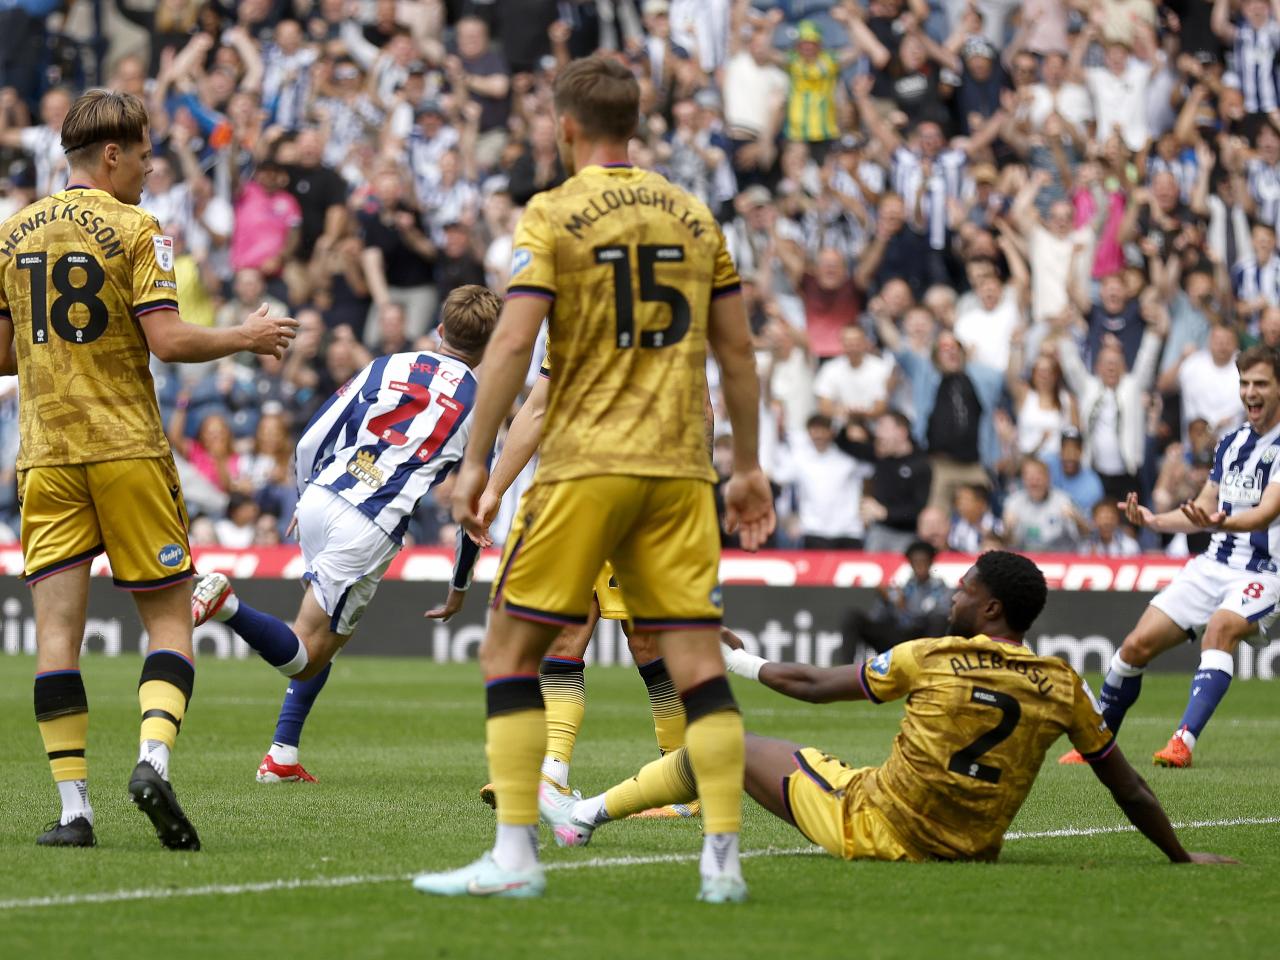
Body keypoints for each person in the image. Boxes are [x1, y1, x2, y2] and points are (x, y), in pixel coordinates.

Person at [411, 56, 775, 903]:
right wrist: (748, 466)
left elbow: (512, 346)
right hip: (682, 469)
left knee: (510, 649)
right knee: (696, 663)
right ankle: (721, 863)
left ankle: (514, 856)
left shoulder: (555, 211)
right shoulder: (694, 214)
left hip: (585, 461)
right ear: (636, 123)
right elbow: (739, 353)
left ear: (565, 126)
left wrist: (476, 465)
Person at [0, 88, 297, 849]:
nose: (148, 167)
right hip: (126, 448)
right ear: (110, 156)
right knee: (169, 618)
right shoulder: (138, 228)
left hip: (46, 455)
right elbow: (165, 341)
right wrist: (246, 334)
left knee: (55, 637)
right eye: (141, 155)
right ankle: (152, 761)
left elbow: (1, 355)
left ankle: (74, 812)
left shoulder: (14, 231)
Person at [540, 552, 1234, 867]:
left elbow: (811, 685)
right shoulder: (1061, 683)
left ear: (989, 607)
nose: (952, 597)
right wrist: (1179, 855)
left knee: (726, 742)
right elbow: (1127, 783)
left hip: (873, 824)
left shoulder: (929, 654)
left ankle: (582, 816)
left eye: (963, 589)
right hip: (972, 848)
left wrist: (730, 659)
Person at [190, 286, 501, 782]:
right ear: (492, 346)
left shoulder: (388, 364)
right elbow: (474, 509)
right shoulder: (483, 407)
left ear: (440, 330)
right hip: (370, 521)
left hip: (321, 494)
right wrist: (460, 586)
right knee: (304, 653)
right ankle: (227, 603)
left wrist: (303, 496)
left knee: (335, 634)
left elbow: (315, 434)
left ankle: (282, 755)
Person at [1060, 345, 1280, 769]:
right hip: (1213, 564)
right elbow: (1202, 506)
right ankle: (1096, 744)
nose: (1250, 393)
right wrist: (1153, 521)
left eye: (1261, 384)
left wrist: (1218, 521)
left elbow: (1266, 512)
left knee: (1220, 630)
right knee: (1134, 647)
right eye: (1245, 383)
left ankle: (1183, 741)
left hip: (1264, 572)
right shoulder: (1231, 444)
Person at [844, 540, 951, 653]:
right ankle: (847, 666)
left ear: (930, 563)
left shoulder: (940, 588)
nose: (920, 566)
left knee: (938, 620)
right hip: (898, 640)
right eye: (916, 562)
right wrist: (884, 601)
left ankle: (930, 664)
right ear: (910, 563)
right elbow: (876, 618)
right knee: (853, 617)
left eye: (923, 561)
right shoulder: (902, 588)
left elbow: (939, 618)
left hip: (923, 641)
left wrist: (904, 608)